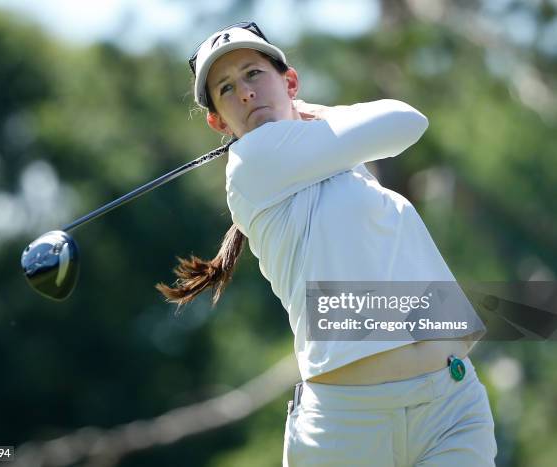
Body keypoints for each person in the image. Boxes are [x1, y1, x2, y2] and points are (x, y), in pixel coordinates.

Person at [157, 21, 498, 466]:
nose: (244, 92)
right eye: (226, 88)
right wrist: (300, 109)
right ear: (218, 121)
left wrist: (298, 111)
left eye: (254, 74)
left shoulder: (344, 164)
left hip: (452, 406)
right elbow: (401, 123)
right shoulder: (249, 166)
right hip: (350, 429)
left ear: (290, 80)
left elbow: (411, 122)